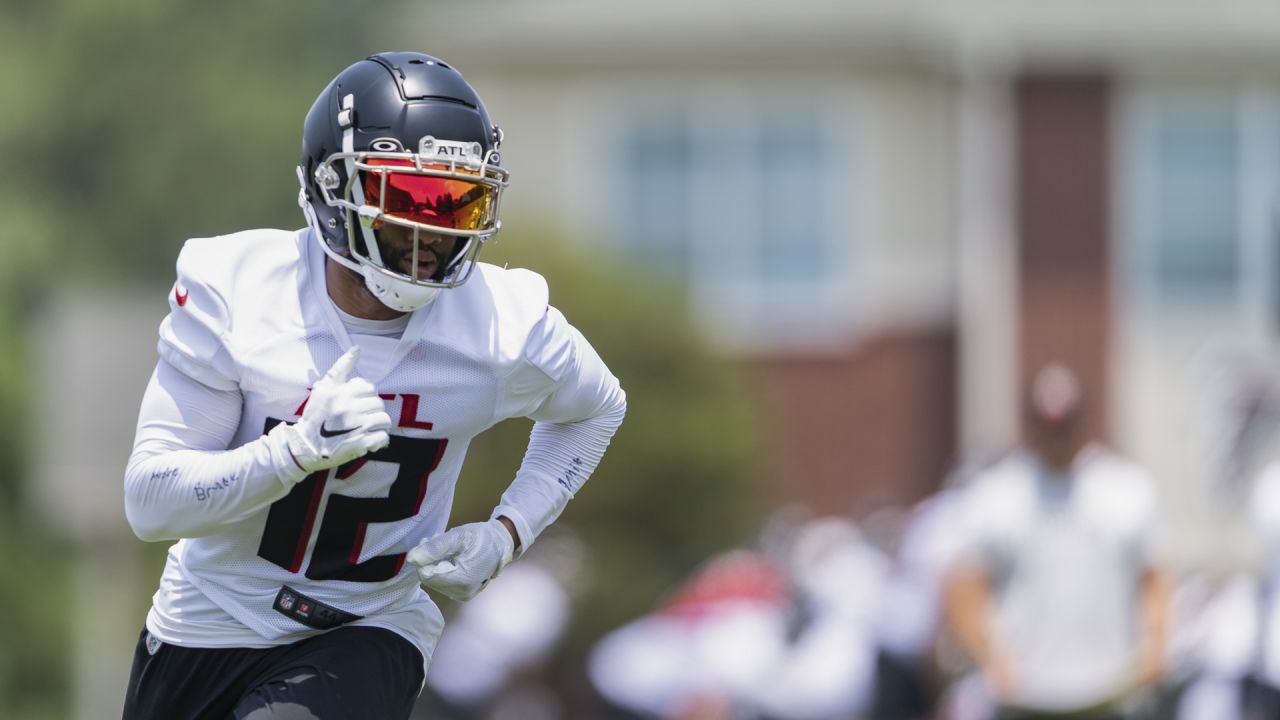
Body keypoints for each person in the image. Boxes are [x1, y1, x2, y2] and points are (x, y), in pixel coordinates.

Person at [119, 51, 626, 719]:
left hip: (369, 628)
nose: (431, 230)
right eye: (410, 197)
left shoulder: (503, 322)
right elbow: (152, 507)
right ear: (333, 190)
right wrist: (291, 453)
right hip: (207, 624)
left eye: (457, 202)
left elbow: (596, 408)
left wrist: (507, 532)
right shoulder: (238, 286)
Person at [944, 363, 1169, 720]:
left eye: (1065, 424)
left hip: (1109, 689)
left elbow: (1154, 577)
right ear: (1029, 423)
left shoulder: (1126, 490)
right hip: (1026, 695)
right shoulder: (997, 495)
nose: (1057, 437)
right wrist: (990, 655)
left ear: (1083, 420)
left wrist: (1155, 648)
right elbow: (963, 587)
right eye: (1047, 425)